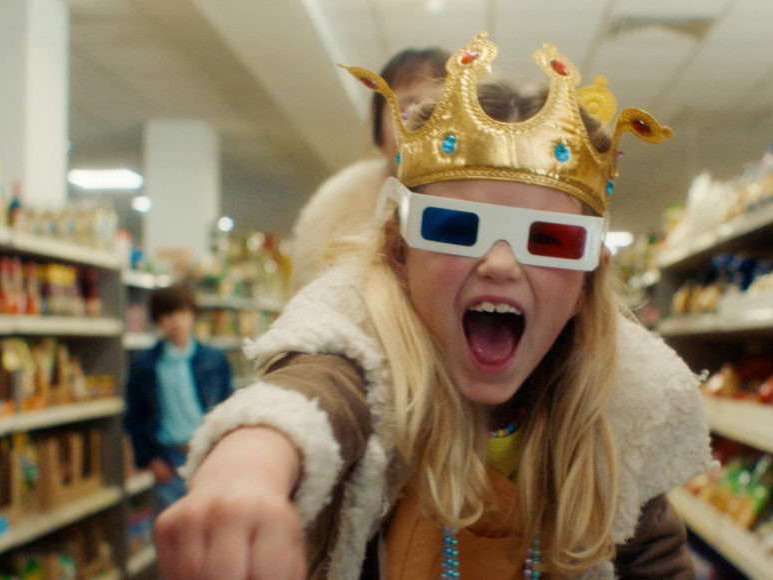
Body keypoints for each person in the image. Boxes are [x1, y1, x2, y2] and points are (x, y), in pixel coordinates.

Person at [155, 32, 713, 579]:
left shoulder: (622, 418)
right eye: (454, 228)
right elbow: (318, 392)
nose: (500, 265)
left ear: (586, 285)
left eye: (549, 239)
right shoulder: (361, 356)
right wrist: (251, 465)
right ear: (399, 255)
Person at [290, 46, 450, 293]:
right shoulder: (338, 205)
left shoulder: (487, 195)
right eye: (411, 109)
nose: (427, 126)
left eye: (443, 111)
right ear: (380, 130)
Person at [123, 284, 233, 510]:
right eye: (167, 314)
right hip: (168, 460)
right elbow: (135, 416)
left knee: (212, 524)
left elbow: (229, 408)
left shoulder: (214, 360)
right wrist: (150, 459)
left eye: (182, 312)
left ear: (192, 314)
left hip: (209, 454)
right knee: (173, 532)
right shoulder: (145, 365)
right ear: (157, 319)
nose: (176, 321)